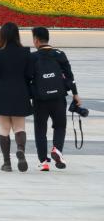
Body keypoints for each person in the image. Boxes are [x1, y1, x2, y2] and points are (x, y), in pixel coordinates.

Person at [28, 26, 82, 171]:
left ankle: (44, 162)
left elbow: (27, 78)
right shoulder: (59, 54)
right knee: (59, 126)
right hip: (58, 98)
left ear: (36, 40)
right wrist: (75, 94)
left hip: (40, 100)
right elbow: (70, 76)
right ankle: (57, 150)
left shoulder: (32, 57)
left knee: (40, 130)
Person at [0, 22, 32, 172]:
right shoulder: (25, 51)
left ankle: (7, 163)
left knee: (4, 128)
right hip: (20, 91)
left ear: (2, 34)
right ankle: (20, 149)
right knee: (19, 127)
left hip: (2, 92)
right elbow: (29, 74)